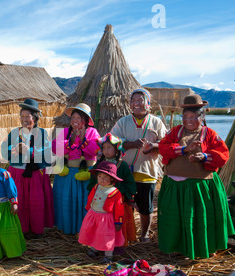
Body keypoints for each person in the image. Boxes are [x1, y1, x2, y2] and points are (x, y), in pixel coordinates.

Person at [157, 94, 234, 259]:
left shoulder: (210, 134)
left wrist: (203, 157)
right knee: (175, 220)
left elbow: (223, 155)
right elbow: (163, 147)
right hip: (175, 187)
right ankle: (176, 247)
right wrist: (184, 149)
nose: (188, 120)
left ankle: (207, 246)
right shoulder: (175, 132)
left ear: (202, 116)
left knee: (200, 219)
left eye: (193, 117)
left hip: (199, 188)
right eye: (185, 117)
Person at [110, 88, 167, 242]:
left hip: (147, 170)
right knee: (124, 203)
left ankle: (144, 234)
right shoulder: (123, 122)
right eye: (133, 101)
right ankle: (125, 234)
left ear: (147, 103)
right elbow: (112, 140)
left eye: (140, 100)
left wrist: (152, 147)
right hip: (125, 171)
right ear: (130, 104)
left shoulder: (156, 122)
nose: (137, 104)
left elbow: (166, 143)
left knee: (145, 206)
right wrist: (131, 144)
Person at [0, 99, 54, 238]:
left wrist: (29, 151)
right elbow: (4, 150)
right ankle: (21, 229)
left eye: (27, 116)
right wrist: (14, 149)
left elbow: (47, 152)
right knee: (20, 202)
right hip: (17, 173)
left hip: (35, 174)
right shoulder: (14, 133)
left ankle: (36, 230)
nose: (24, 119)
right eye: (22, 116)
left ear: (35, 118)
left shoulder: (41, 133)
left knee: (36, 203)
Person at [52, 103, 100, 235]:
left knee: (84, 202)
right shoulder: (66, 132)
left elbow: (94, 149)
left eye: (78, 118)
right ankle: (67, 228)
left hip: (86, 175)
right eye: (73, 117)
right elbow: (56, 148)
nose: (75, 120)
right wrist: (71, 141)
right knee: (66, 202)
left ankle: (86, 230)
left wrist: (84, 139)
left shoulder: (93, 132)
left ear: (85, 120)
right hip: (67, 174)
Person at [87, 133, 137, 250]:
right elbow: (93, 181)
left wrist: (128, 196)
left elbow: (129, 182)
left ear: (117, 150)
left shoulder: (122, 165)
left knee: (117, 223)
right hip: (101, 203)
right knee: (101, 224)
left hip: (118, 202)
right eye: (104, 148)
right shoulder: (99, 164)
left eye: (109, 148)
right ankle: (99, 246)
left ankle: (118, 246)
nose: (106, 150)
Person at [78, 161, 125, 263]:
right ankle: (94, 249)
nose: (101, 180)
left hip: (106, 218)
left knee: (106, 236)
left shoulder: (115, 192)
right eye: (99, 177)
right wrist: (88, 208)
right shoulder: (96, 187)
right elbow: (91, 198)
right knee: (93, 232)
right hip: (94, 214)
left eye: (105, 178)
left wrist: (118, 221)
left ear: (111, 179)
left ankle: (108, 255)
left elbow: (119, 208)